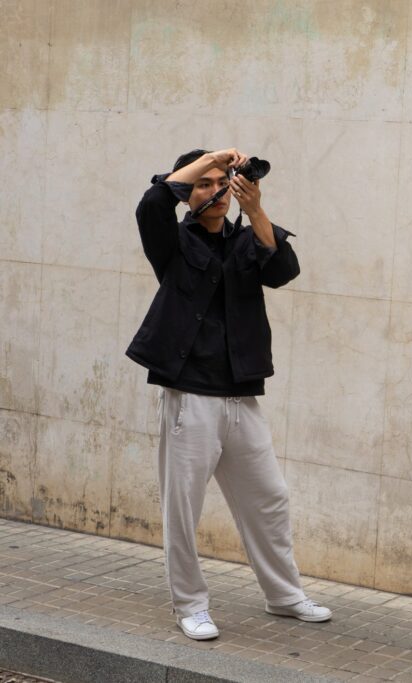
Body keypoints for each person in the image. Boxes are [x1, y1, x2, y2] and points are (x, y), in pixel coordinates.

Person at [126, 148, 330, 640]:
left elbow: (283, 268)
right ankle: (190, 605)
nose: (216, 190)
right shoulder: (172, 240)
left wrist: (255, 207)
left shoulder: (246, 239)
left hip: (242, 394)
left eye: (223, 181)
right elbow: (152, 202)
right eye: (204, 183)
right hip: (190, 395)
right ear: (188, 190)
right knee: (184, 507)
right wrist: (211, 158)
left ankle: (283, 595)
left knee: (270, 498)